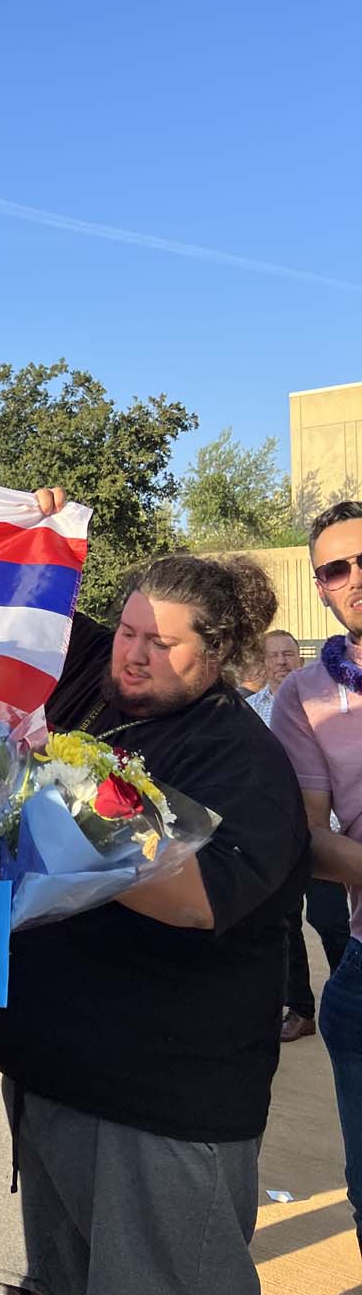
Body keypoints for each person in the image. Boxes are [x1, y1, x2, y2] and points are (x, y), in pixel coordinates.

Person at [0, 531, 309, 1295]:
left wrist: (43, 814)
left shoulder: (240, 757)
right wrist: (25, 524)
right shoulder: (98, 685)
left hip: (163, 1087)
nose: (133, 655)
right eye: (130, 631)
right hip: (43, 1056)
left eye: (162, 642)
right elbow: (19, 599)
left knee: (201, 1292)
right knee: (50, 1262)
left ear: (216, 654)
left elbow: (198, 898)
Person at [270, 500, 362, 1254]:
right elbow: (306, 836)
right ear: (322, 588)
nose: (355, 577)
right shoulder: (303, 696)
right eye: (337, 568)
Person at [247, 629, 350, 1042]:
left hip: (320, 832)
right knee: (287, 925)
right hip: (277, 837)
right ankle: (301, 1010)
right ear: (264, 661)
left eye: (289, 653)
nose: (282, 661)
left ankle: (352, 996)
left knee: (330, 920)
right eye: (274, 655)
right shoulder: (250, 711)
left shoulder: (318, 706)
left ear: (299, 659)